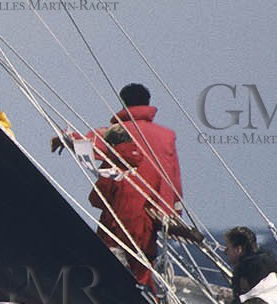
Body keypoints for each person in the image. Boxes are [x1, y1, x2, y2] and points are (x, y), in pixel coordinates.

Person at [54, 83, 183, 213]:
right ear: (147, 103)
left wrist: (66, 136)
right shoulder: (167, 136)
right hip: (158, 209)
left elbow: (89, 145)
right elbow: (174, 176)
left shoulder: (117, 131)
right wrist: (176, 211)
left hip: (123, 205)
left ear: (123, 102)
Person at [87, 127, 175, 288]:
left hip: (116, 233)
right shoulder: (151, 166)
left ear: (112, 144)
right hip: (145, 234)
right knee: (145, 280)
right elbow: (159, 199)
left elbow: (96, 199)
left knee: (114, 282)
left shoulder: (112, 166)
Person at [222, 226, 277, 304]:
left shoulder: (243, 269)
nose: (225, 252)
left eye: (228, 248)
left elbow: (241, 301)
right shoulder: (268, 261)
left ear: (238, 249)